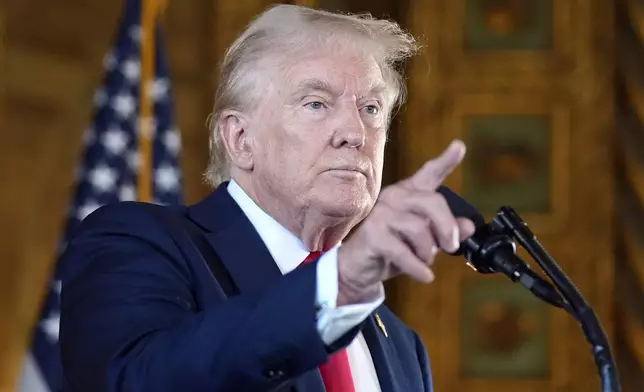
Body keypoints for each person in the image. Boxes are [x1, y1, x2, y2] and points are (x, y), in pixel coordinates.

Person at [59, 4, 475, 392]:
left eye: (371, 108)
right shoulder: (139, 242)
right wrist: (339, 283)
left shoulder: (402, 346)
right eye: (316, 103)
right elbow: (135, 379)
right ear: (240, 139)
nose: (355, 133)